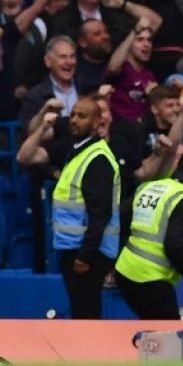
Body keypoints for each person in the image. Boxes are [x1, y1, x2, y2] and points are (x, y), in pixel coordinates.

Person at [17, 98, 121, 319]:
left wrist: (85, 255)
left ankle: (90, 354)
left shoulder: (98, 159)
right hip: (73, 247)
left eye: (82, 116)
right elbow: (24, 156)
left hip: (87, 252)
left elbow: (100, 213)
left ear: (96, 123)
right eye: (73, 115)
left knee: (86, 313)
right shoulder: (77, 151)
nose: (74, 120)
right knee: (81, 311)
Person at [114, 149, 183, 319]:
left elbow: (120, 221)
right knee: (169, 340)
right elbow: (174, 245)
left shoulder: (151, 186)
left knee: (153, 335)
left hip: (124, 272)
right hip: (151, 279)